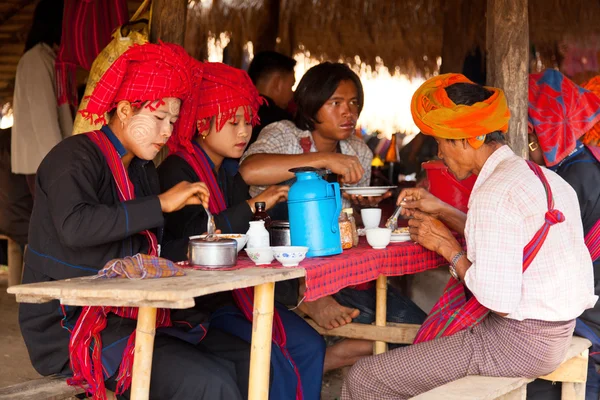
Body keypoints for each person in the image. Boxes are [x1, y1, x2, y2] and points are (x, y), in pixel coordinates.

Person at [341, 73, 598, 399]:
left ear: (466, 140)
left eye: (442, 142)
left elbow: (498, 301)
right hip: (556, 331)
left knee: (365, 377)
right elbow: (510, 238)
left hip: (518, 342)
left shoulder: (494, 191)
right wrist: (443, 210)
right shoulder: (541, 177)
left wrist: (447, 248)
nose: (439, 154)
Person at [19, 43, 253, 400]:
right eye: (159, 119)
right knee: (209, 381)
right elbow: (75, 227)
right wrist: (160, 203)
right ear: (125, 110)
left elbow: (146, 251)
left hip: (130, 313)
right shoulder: (73, 157)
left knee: (241, 359)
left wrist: (204, 247)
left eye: (173, 121)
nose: (166, 131)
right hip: (70, 323)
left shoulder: (142, 171)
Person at [240, 62, 423, 371]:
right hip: (286, 257)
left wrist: (362, 199)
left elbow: (352, 213)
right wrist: (325, 159)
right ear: (312, 105)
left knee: (418, 327)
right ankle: (306, 295)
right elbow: (250, 170)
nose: (348, 112)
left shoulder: (355, 148)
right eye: (335, 103)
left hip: (338, 263)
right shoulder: (284, 134)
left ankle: (329, 356)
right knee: (412, 330)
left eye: (353, 103)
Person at [158, 61, 325, 399]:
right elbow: (195, 241)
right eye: (233, 122)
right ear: (202, 124)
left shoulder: (228, 172)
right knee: (273, 358)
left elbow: (249, 234)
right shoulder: (178, 171)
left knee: (310, 344)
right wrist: (254, 204)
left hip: (236, 296)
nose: (244, 132)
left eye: (248, 121)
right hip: (202, 306)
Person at [527, 69, 600, 400]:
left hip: (588, 316)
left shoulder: (571, 179)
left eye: (529, 133)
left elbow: (543, 260)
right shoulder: (584, 163)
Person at [11, 0, 72, 198]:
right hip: (46, 161)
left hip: (48, 159)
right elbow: (43, 120)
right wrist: (61, 164)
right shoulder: (36, 60)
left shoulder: (49, 58)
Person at [246, 50, 296, 146]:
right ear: (277, 83)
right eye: (291, 86)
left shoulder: (236, 111)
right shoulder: (281, 122)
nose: (292, 93)